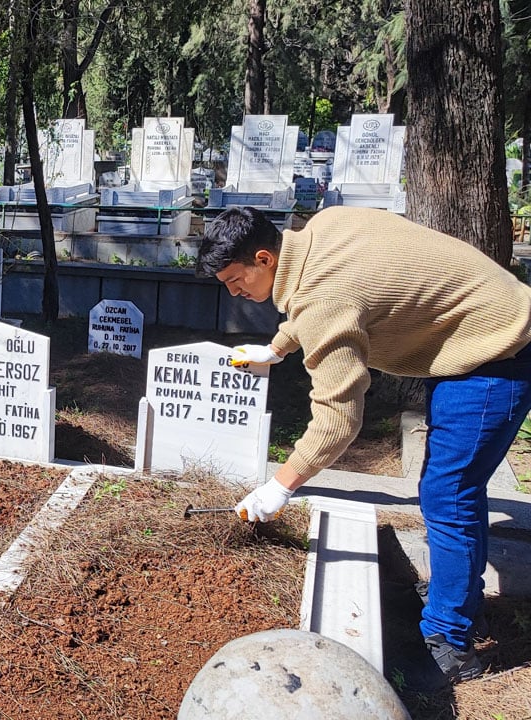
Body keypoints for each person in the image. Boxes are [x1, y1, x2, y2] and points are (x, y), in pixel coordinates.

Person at [196, 205, 531, 686]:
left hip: (495, 351)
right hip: (483, 319)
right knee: (450, 490)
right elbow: (336, 293)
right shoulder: (322, 230)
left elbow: (338, 421)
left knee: (449, 493)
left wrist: (280, 486)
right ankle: (453, 592)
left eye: (235, 280)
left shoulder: (321, 299)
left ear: (264, 258)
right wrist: (279, 347)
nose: (234, 292)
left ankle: (450, 644)